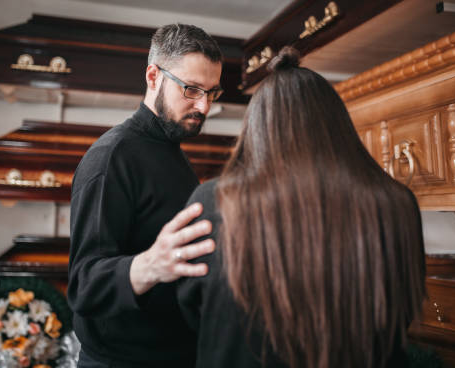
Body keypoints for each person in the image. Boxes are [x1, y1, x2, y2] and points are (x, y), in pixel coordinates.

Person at [177, 47, 426, 368]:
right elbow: (402, 309)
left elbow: (191, 309)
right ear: (336, 125)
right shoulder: (396, 202)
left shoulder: (211, 202)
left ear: (256, 128)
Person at [68, 23, 225, 368]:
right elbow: (84, 286)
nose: (204, 106)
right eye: (191, 89)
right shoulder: (111, 158)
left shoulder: (173, 151)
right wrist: (151, 264)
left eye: (212, 92)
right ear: (153, 75)